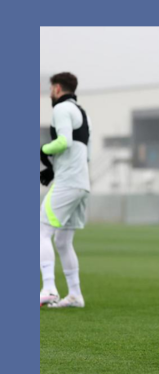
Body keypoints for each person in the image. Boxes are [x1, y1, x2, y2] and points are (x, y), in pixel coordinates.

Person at [39, 72, 91, 308]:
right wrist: (53, 168)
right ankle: (75, 294)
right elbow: (81, 151)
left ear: (58, 88)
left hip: (68, 182)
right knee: (63, 240)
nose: (50, 93)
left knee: (40, 231)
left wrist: (43, 150)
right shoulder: (80, 111)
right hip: (81, 183)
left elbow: (64, 142)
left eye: (51, 89)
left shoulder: (61, 109)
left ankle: (49, 287)